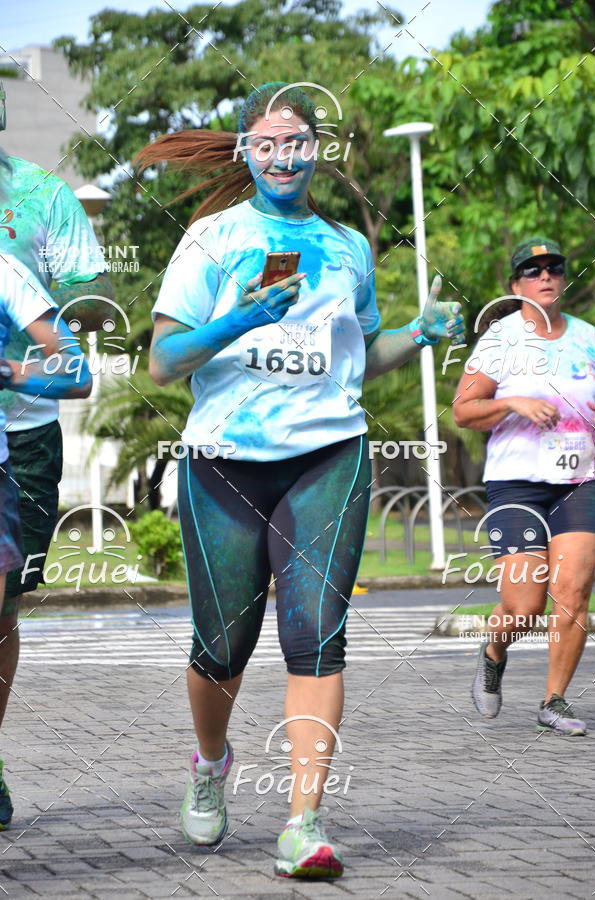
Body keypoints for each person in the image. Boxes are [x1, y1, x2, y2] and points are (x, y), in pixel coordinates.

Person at [141, 82, 464, 878]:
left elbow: (359, 355)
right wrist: (243, 318)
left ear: (317, 150)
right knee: (222, 643)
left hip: (329, 453)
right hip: (226, 459)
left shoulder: (350, 248)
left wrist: (418, 337)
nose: (283, 157)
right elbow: (164, 360)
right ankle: (211, 767)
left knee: (316, 632)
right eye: (267, 145)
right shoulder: (213, 241)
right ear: (248, 152)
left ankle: (304, 822)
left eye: (297, 143)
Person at [0, 82, 114, 830]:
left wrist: (46, 322)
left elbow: (92, 303)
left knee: (3, 607)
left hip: (24, 430)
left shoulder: (41, 194)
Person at [453, 237, 595, 736]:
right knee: (523, 607)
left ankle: (554, 701)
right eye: (532, 271)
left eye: (553, 268)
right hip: (516, 484)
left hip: (580, 480)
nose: (545, 277)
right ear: (515, 286)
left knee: (574, 591)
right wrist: (514, 403)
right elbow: (464, 411)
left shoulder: (589, 338)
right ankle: (495, 650)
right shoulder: (498, 340)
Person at [0, 252, 92, 826]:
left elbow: (78, 373)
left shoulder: (5, 270)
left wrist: (9, 371)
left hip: (21, 452)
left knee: (2, 614)